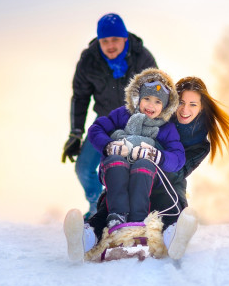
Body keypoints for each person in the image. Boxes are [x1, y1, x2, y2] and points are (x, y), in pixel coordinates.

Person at [64, 75, 229, 261]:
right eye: (181, 102)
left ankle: (175, 238)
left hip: (165, 183)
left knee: (168, 209)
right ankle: (85, 238)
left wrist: (155, 155)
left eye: (193, 104)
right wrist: (112, 146)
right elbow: (101, 128)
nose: (185, 109)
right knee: (110, 205)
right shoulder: (159, 115)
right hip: (130, 173)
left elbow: (178, 170)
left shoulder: (198, 143)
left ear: (202, 107)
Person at [61, 13, 157, 218]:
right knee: (83, 168)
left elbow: (156, 94)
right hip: (105, 122)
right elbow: (80, 97)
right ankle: (99, 206)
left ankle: (134, 212)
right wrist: (75, 133)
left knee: (128, 169)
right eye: (105, 41)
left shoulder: (142, 57)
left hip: (135, 123)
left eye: (115, 40)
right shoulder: (89, 60)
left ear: (124, 38)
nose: (110, 45)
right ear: (99, 41)